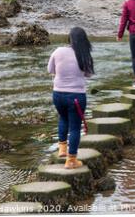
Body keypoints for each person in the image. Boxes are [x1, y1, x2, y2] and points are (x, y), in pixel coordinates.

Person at [48, 27, 93, 169]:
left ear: (70, 39)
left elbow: (50, 70)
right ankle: (71, 160)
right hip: (76, 96)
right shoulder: (84, 55)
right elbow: (89, 74)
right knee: (74, 127)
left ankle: (62, 149)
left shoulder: (58, 51)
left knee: (63, 118)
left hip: (58, 94)